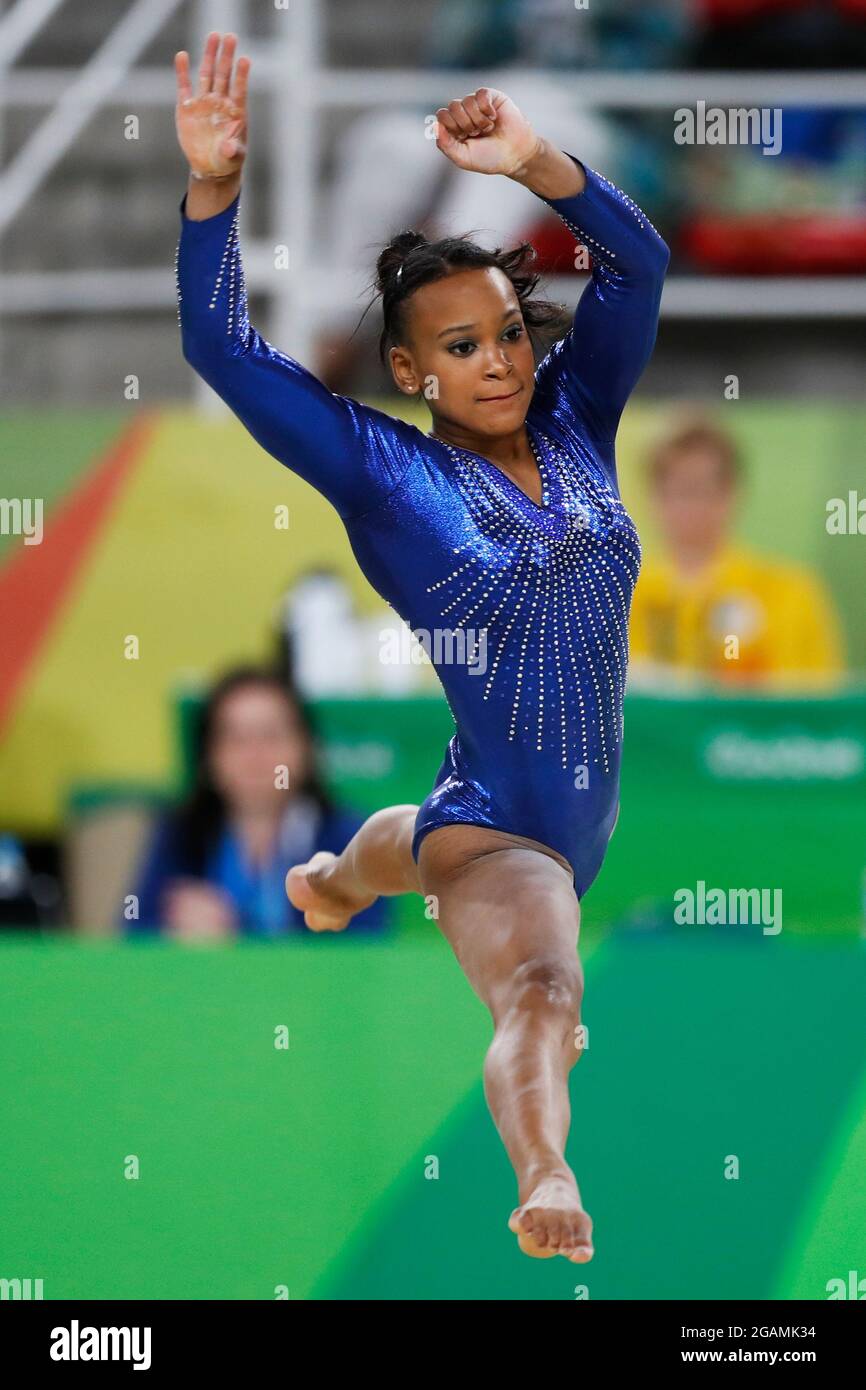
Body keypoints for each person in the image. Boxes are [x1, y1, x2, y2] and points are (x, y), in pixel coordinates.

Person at [174, 32, 669, 1262]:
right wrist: (213, 194)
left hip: (517, 807)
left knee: (421, 840)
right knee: (543, 992)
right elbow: (221, 351)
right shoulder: (381, 470)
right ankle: (543, 1165)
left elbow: (636, 262)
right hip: (514, 832)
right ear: (410, 370)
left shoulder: (577, 423)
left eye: (506, 332)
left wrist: (534, 162)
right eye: (459, 348)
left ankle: (342, 876)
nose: (495, 361)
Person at [127, 667, 388, 938]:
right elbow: (133, 942)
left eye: (271, 736)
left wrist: (235, 934)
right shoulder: (180, 834)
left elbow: (364, 951)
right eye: (236, 739)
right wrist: (171, 931)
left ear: (306, 748)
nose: (255, 756)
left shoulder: (349, 839)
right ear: (209, 757)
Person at [629, 420, 845, 688]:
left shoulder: (789, 593)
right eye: (673, 490)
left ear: (730, 493)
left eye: (699, 489)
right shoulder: (624, 595)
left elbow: (814, 706)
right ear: (653, 497)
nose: (686, 506)